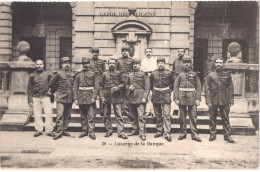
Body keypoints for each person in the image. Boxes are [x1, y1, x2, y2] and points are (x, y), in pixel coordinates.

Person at [204, 57, 235, 143]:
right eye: (217, 62)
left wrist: (231, 99)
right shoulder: (210, 75)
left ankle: (227, 136)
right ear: (215, 64)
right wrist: (208, 100)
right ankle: (212, 135)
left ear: (223, 64)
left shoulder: (227, 75)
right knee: (212, 118)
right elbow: (207, 88)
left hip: (224, 99)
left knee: (225, 118)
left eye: (220, 63)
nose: (218, 64)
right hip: (213, 99)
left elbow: (231, 87)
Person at [174, 57, 202, 142]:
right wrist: (176, 98)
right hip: (182, 97)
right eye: (185, 62)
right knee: (182, 117)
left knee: (193, 116)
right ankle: (183, 133)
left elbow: (199, 87)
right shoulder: (180, 75)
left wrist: (198, 99)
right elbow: (175, 87)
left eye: (188, 63)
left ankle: (194, 134)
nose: (186, 64)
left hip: (192, 97)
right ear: (183, 64)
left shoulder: (194, 74)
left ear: (191, 64)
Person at [100, 58, 128, 139]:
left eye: (113, 63)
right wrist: (101, 96)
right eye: (110, 63)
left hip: (117, 96)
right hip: (106, 96)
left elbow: (123, 83)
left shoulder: (119, 73)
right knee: (106, 114)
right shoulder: (104, 74)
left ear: (115, 64)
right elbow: (101, 86)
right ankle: (109, 130)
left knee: (118, 115)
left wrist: (118, 87)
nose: (111, 64)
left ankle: (120, 132)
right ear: (108, 64)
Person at [48, 57, 74, 140]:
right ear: (62, 64)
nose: (67, 64)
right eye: (65, 63)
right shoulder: (58, 74)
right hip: (61, 96)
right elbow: (51, 84)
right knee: (59, 115)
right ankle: (58, 132)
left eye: (68, 63)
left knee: (68, 115)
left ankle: (64, 129)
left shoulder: (72, 73)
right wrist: (53, 91)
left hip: (70, 97)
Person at [73, 57, 99, 140]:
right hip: (81, 97)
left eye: (87, 63)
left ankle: (91, 132)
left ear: (89, 64)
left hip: (90, 97)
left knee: (91, 116)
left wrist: (94, 97)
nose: (85, 65)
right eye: (84, 64)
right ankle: (84, 131)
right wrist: (76, 99)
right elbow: (75, 87)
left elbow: (97, 87)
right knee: (83, 116)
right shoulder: (78, 74)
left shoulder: (93, 74)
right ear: (82, 65)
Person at [27, 59, 54, 137]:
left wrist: (50, 92)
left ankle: (49, 130)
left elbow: (51, 86)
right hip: (35, 97)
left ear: (43, 65)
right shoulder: (32, 76)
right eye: (37, 64)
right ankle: (39, 130)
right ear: (35, 65)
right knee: (37, 114)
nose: (39, 66)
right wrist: (30, 100)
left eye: (40, 64)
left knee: (48, 113)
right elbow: (29, 89)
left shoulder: (48, 75)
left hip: (46, 97)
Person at [150, 57, 174, 142]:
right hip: (156, 94)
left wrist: (167, 91)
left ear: (164, 64)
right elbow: (150, 84)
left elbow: (173, 84)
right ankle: (159, 131)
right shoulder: (153, 73)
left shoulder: (169, 73)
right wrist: (155, 90)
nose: (160, 64)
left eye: (162, 63)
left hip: (166, 95)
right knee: (158, 115)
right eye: (159, 63)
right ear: (157, 64)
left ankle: (167, 133)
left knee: (166, 114)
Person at [126, 59, 150, 141]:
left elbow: (147, 87)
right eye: (134, 64)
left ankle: (142, 133)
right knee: (132, 116)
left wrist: (144, 97)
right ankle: (135, 130)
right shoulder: (130, 75)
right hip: (132, 98)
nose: (135, 65)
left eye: (137, 64)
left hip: (140, 98)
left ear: (140, 65)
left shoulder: (144, 74)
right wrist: (129, 88)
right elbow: (126, 85)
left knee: (141, 116)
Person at [116, 46, 133, 116]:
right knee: (121, 95)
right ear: (121, 52)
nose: (125, 52)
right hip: (120, 80)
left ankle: (126, 110)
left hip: (128, 80)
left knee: (127, 95)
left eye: (126, 51)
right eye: (123, 51)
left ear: (128, 52)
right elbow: (116, 71)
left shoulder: (131, 61)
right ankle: (121, 110)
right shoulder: (118, 61)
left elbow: (132, 72)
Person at [89, 47, 106, 116]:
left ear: (98, 53)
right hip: (92, 81)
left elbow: (104, 72)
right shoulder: (89, 62)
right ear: (92, 53)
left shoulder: (101, 62)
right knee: (93, 95)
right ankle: (94, 109)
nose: (95, 54)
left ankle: (102, 110)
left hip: (100, 80)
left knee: (101, 95)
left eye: (96, 52)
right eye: (94, 52)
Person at [140, 48, 157, 117]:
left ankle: (153, 111)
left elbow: (156, 69)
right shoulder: (143, 61)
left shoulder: (155, 60)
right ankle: (147, 111)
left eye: (149, 52)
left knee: (152, 95)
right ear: (145, 53)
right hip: (145, 78)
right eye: (147, 52)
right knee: (147, 95)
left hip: (153, 78)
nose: (148, 53)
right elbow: (141, 69)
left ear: (152, 53)